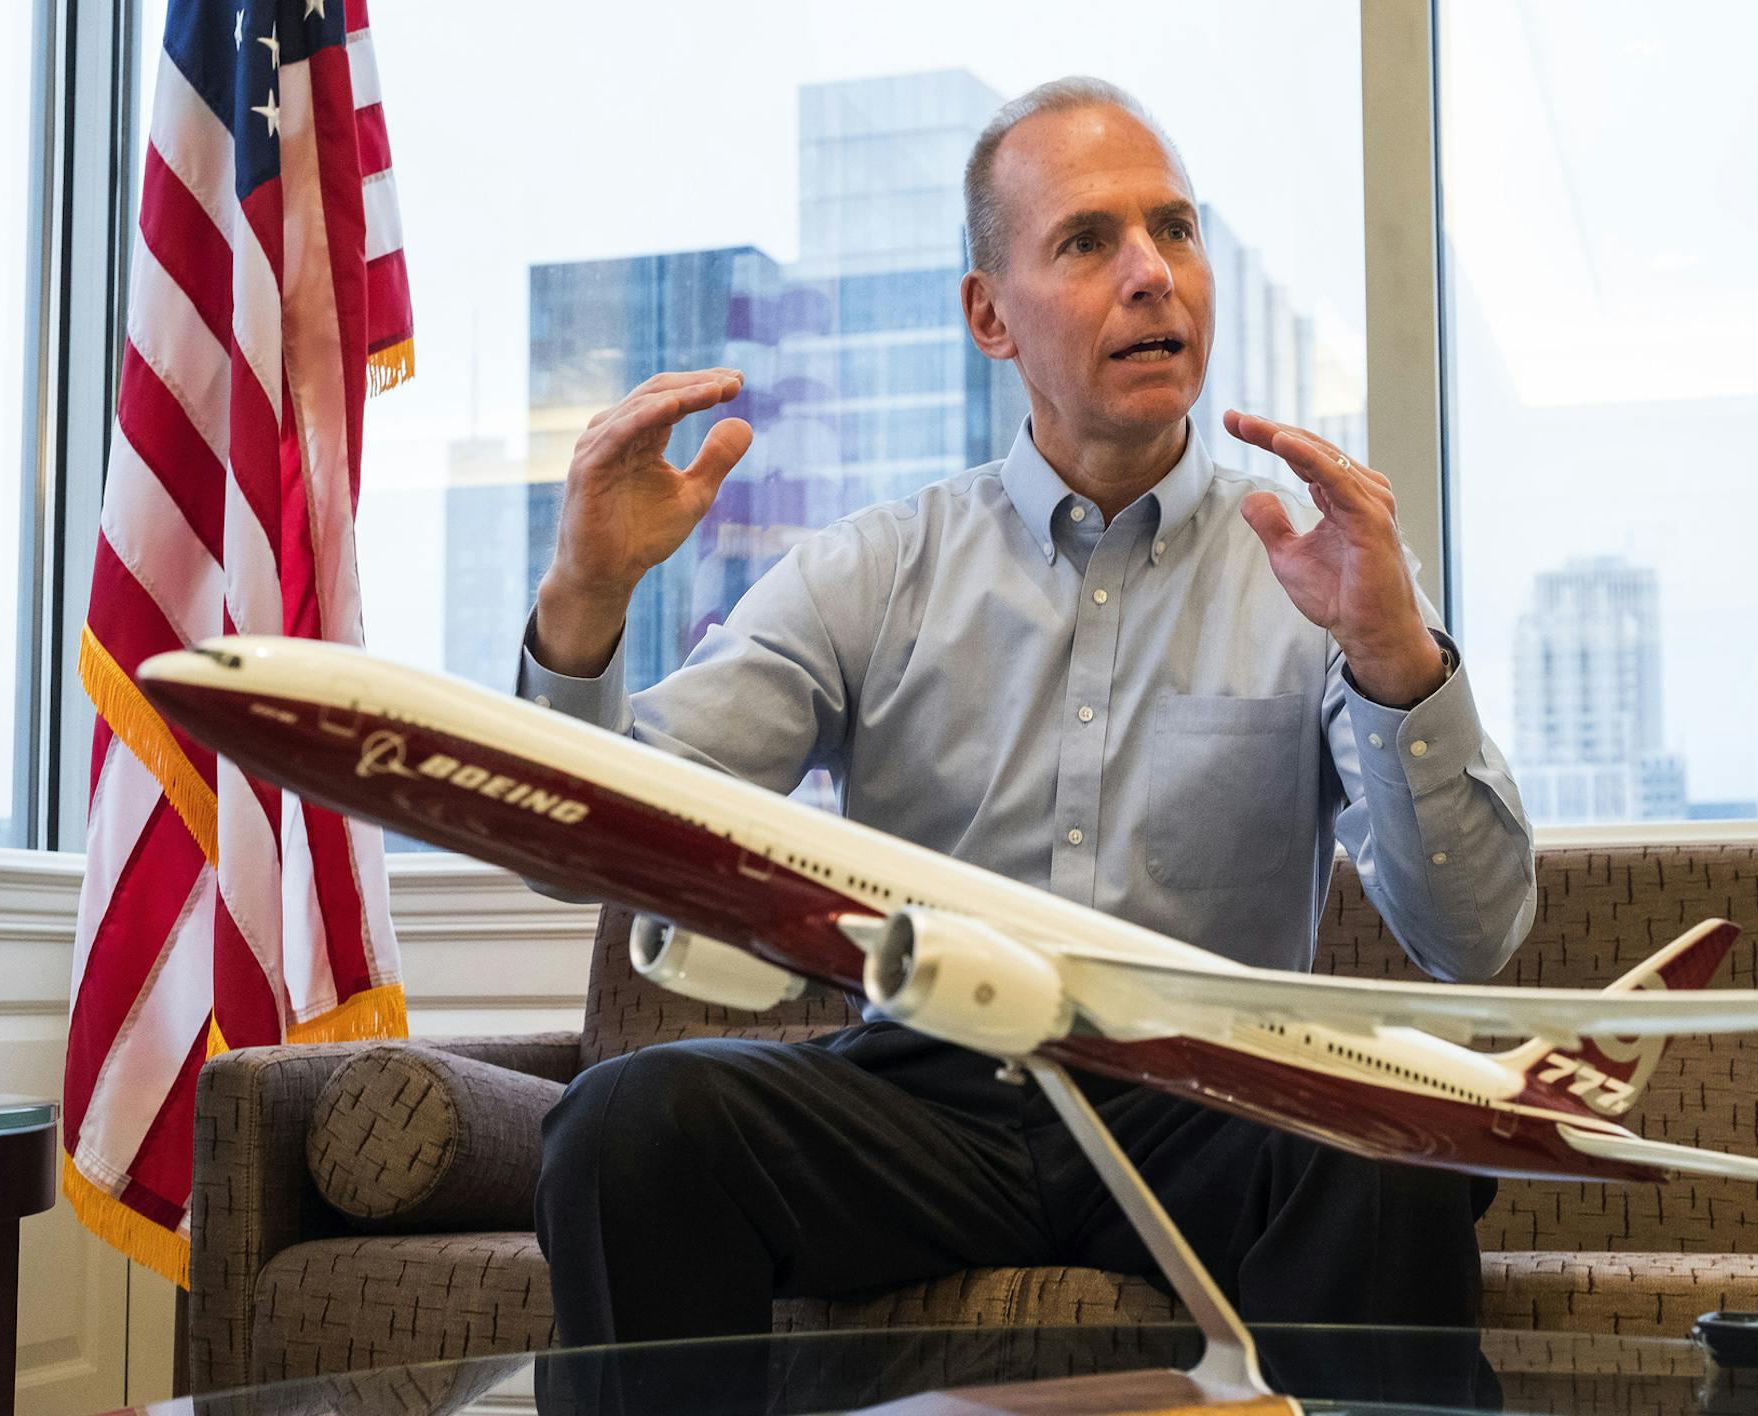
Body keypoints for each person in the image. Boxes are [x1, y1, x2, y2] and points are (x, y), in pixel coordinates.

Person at [519, 77, 1535, 1349]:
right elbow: (594, 854)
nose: (1154, 274)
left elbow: (1474, 934)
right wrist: (585, 600)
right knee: (627, 1126)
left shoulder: (1323, 576)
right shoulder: (876, 568)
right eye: (1089, 241)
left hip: (1205, 1098)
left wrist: (1395, 652)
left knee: (1389, 1137)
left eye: (1175, 230)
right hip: (919, 1106)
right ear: (988, 314)